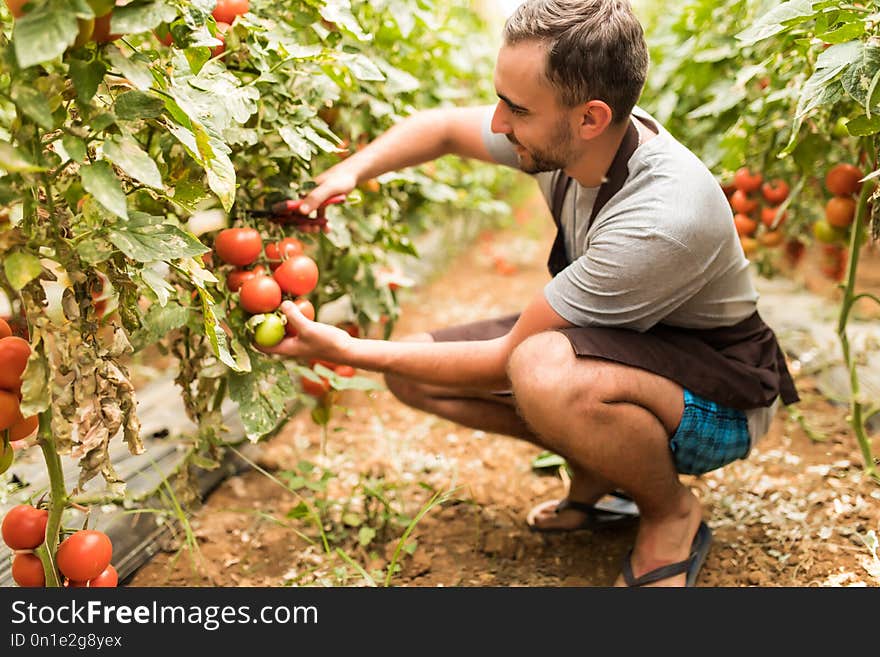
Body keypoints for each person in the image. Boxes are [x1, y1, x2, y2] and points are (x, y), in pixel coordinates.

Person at [260, 0, 799, 587]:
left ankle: (671, 514)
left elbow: (505, 359)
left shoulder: (661, 215)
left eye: (516, 108)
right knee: (414, 371)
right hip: (631, 352)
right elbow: (442, 129)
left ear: (590, 117)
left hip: (719, 398)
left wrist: (341, 350)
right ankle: (599, 464)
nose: (497, 123)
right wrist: (349, 174)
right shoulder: (571, 142)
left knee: (540, 369)